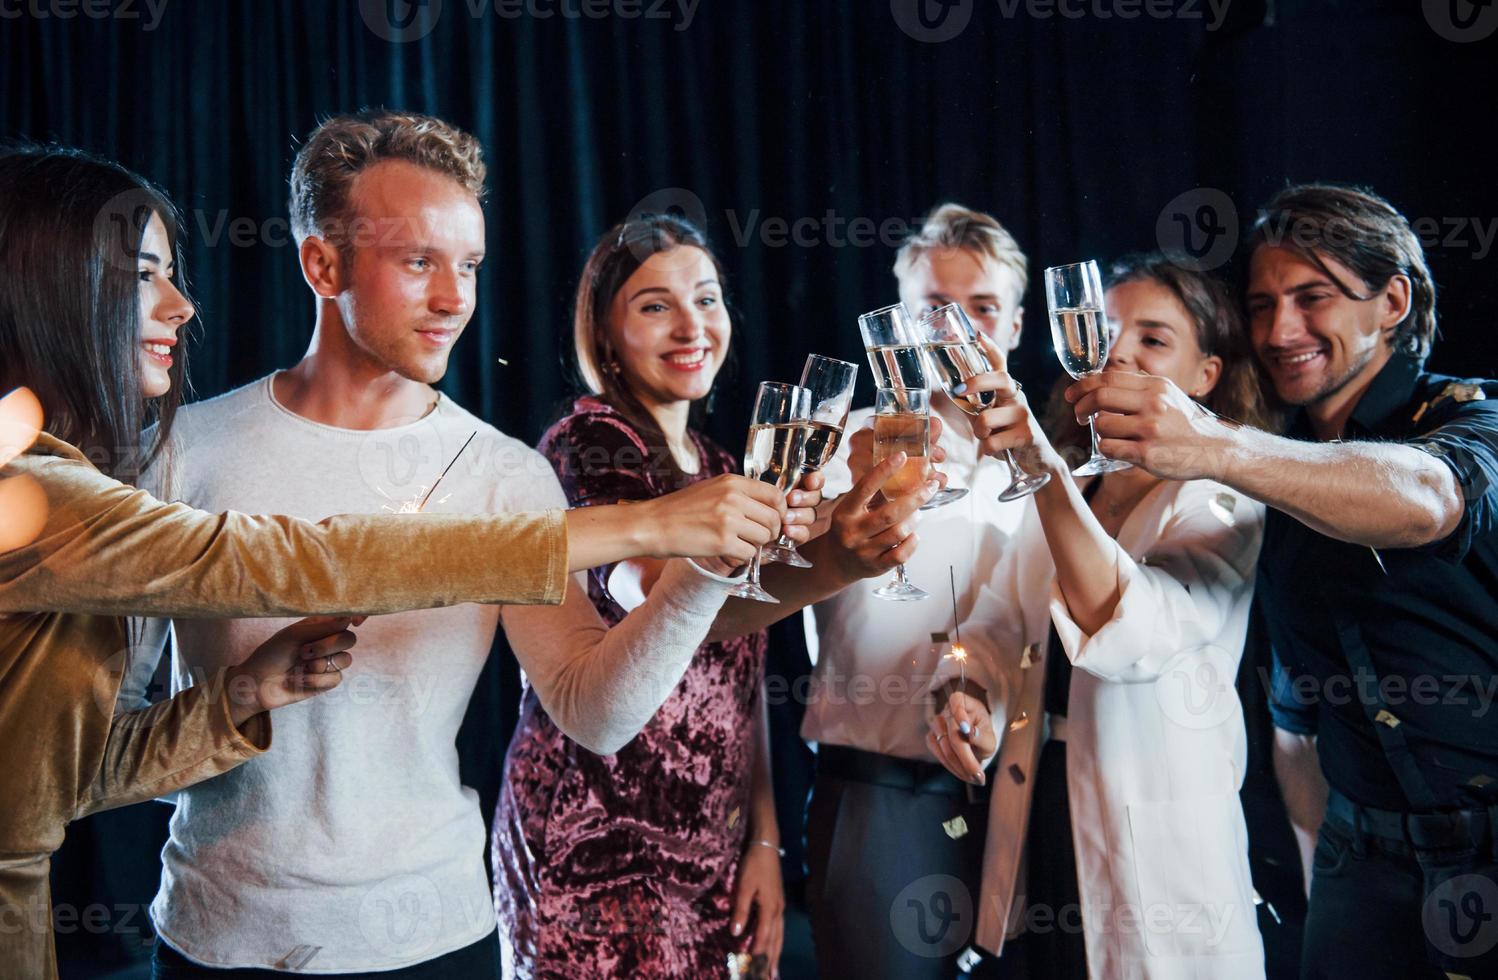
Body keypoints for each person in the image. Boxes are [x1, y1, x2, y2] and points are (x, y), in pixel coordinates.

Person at [0, 145, 784, 980]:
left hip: (436, 939)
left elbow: (596, 715)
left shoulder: (508, 472)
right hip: (217, 936)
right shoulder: (171, 454)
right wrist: (645, 524)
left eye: (471, 265)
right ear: (322, 262)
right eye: (418, 261)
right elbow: (105, 744)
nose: (454, 298)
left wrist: (703, 566)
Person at [1070, 185, 1497, 979]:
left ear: (1393, 300)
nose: (1280, 331)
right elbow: (1296, 723)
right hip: (1354, 860)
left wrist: (1214, 445)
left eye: (1313, 299)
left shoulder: (1471, 418)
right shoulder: (1260, 466)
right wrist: (1318, 866)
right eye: (1262, 306)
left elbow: (1426, 498)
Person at [493, 212, 935, 979]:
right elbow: (658, 597)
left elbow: (742, 670)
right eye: (655, 305)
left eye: (706, 298)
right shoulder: (585, 442)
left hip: (709, 846)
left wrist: (762, 840)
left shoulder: (723, 461)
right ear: (605, 334)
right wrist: (834, 560)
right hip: (594, 843)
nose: (691, 324)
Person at [930, 252, 1274, 978]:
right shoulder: (1072, 482)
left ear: (1206, 376)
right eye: (1102, 328)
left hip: (1160, 859)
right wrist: (967, 692)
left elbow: (1137, 636)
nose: (1117, 350)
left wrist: (1037, 465)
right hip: (1040, 823)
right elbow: (992, 625)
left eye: (1152, 338)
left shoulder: (1221, 497)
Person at [800, 203, 1033, 978]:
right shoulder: (844, 451)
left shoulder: (1047, 471)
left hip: (1024, 812)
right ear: (899, 323)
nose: (958, 333)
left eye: (983, 310)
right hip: (881, 802)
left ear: (1020, 325)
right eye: (935, 310)